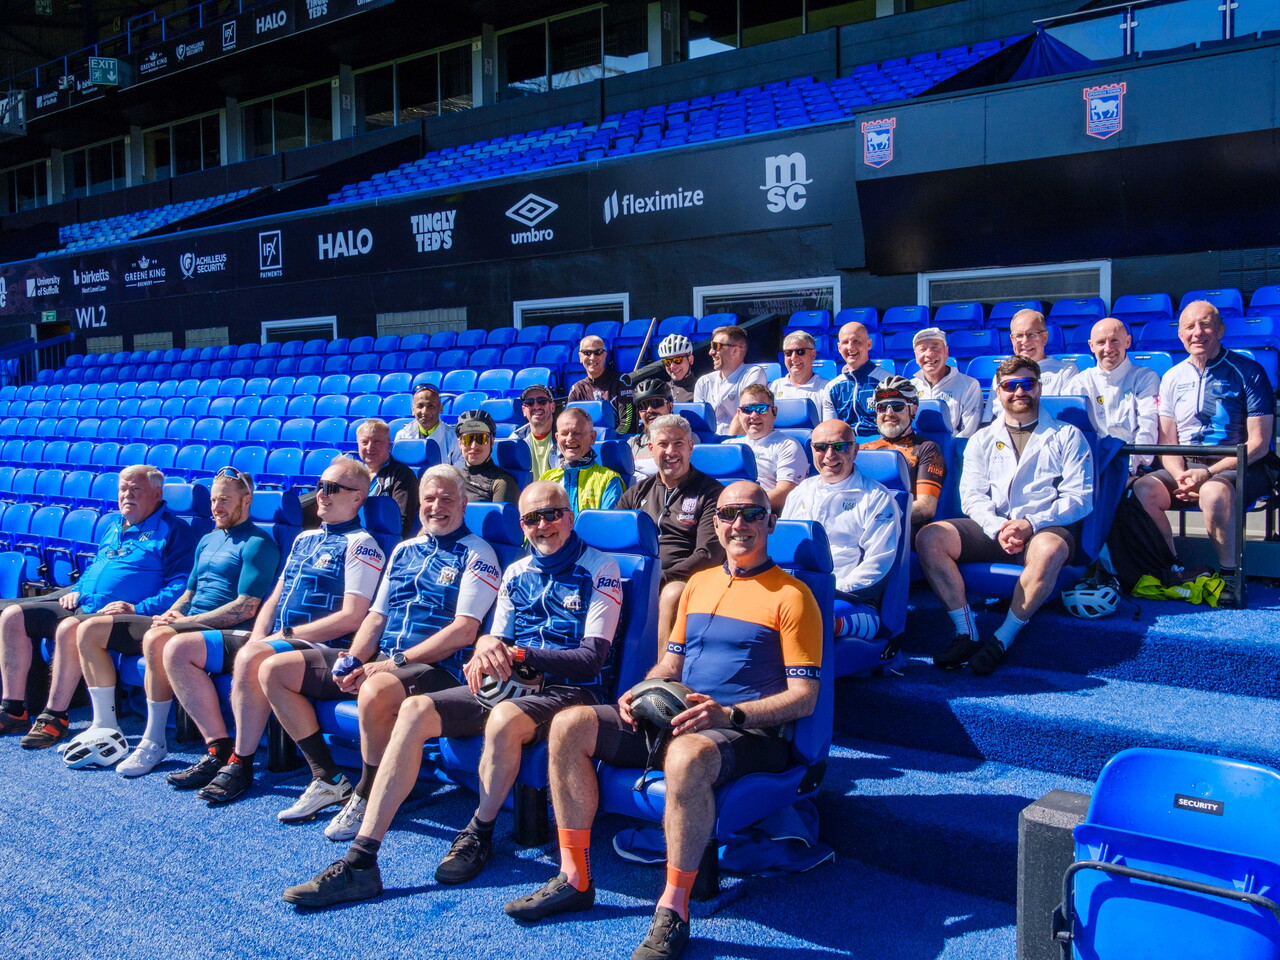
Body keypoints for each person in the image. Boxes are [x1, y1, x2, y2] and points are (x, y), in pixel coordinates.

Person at [504, 481, 822, 960]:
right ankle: (575, 877)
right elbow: (671, 665)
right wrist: (640, 689)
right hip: (680, 713)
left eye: (752, 514)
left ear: (769, 522)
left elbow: (804, 698)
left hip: (747, 729)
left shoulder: (793, 596)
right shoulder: (698, 584)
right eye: (730, 514)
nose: (740, 524)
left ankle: (674, 908)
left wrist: (728, 713)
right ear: (716, 523)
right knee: (571, 724)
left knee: (688, 754)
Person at [282, 481, 622, 905]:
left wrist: (516, 653)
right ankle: (361, 861)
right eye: (532, 519)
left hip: (572, 692)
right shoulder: (516, 572)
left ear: (569, 517)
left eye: (552, 514)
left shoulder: (601, 568)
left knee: (504, 718)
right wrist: (484, 652)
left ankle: (479, 830)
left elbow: (590, 659)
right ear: (522, 526)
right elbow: (493, 639)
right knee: (415, 710)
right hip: (511, 685)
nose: (543, 526)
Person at [261, 466, 500, 832]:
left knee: (374, 687)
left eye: (446, 499)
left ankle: (367, 792)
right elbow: (375, 617)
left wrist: (392, 663)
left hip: (440, 669)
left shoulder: (478, 553)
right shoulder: (404, 550)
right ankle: (327, 777)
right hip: (388, 659)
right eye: (429, 499)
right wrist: (354, 658)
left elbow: (463, 632)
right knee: (274, 670)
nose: (436, 506)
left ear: (464, 503)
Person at [164, 457, 386, 803]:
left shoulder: (361, 544)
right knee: (178, 649)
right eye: (319, 487)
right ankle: (217, 748)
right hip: (275, 639)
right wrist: (258, 636)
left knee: (253, 655)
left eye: (331, 489)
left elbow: (353, 616)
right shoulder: (304, 539)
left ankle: (241, 761)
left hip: (318, 647)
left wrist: (284, 636)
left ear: (357, 497)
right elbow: (275, 595)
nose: (321, 495)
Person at [69, 467, 279, 777]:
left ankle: (154, 740)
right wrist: (174, 612)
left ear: (246, 501)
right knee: (90, 629)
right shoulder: (208, 539)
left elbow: (245, 608)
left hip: (231, 632)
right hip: (192, 622)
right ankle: (104, 727)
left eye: (224, 501)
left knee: (157, 638)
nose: (216, 508)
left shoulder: (258, 543)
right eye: (213, 500)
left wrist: (187, 620)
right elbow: (190, 590)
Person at [0, 465, 196, 750]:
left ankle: (55, 716)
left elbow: (182, 585)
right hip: (84, 603)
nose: (126, 494)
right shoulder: (115, 524)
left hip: (125, 617)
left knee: (70, 628)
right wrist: (77, 590)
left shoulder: (174, 530)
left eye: (135, 489)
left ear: (156, 493)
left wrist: (138, 607)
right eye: (123, 489)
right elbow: (96, 567)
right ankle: (14, 709)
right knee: (13, 616)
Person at [919, 357, 1093, 676]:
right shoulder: (982, 439)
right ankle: (966, 632)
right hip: (995, 527)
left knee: (1050, 548)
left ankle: (1002, 638)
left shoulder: (1068, 435)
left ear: (1039, 388)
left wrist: (1030, 524)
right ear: (997, 392)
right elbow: (971, 496)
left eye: (1027, 384)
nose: (1019, 392)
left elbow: (1079, 499)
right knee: (930, 537)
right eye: (1010, 386)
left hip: (1044, 527)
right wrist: (999, 526)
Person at [1132, 301, 1274, 607]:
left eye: (1206, 325)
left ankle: (1230, 576)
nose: (1198, 332)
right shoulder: (1171, 377)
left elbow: (1260, 444)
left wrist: (1206, 474)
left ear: (1221, 330)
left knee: (1212, 492)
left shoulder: (1248, 371)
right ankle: (1175, 569)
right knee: (1143, 490)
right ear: (1180, 334)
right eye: (1190, 326)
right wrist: (1179, 476)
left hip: (1239, 464)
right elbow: (1168, 442)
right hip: (1188, 468)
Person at [781, 420, 900, 641]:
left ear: (855, 450)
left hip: (854, 600)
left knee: (807, 620)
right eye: (820, 447)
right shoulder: (800, 493)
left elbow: (878, 563)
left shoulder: (877, 497)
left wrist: (831, 590)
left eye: (839, 447)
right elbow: (785, 551)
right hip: (798, 592)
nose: (829, 455)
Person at [618, 414, 726, 649]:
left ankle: (664, 677)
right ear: (650, 448)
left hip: (685, 582)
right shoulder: (637, 493)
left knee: (672, 593)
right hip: (639, 580)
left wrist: (659, 578)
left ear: (690, 447)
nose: (671, 451)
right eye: (663, 444)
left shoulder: (712, 493)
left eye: (678, 443)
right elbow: (614, 541)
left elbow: (709, 555)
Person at [1068, 317, 1160, 475]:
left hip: (1133, 464)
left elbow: (1147, 425)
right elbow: (1073, 430)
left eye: (1115, 340)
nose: (1108, 348)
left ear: (1128, 341)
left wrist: (1130, 466)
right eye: (1101, 342)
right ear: (1091, 346)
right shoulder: (1080, 382)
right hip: (1092, 463)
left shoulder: (1145, 377)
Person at [860, 376, 947, 536]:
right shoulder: (863, 448)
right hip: (859, 525)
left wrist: (879, 516)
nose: (889, 413)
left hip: (900, 530)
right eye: (882, 407)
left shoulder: (927, 448)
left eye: (897, 406)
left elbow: (926, 507)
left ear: (913, 409)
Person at [983, 309, 1079, 421]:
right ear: (1012, 340)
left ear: (1045, 337)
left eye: (1031, 335)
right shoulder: (1002, 374)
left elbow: (1067, 415)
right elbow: (988, 418)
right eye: (1019, 335)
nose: (1025, 341)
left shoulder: (1066, 371)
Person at [734, 383, 809, 511]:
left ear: (774, 412)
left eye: (760, 408)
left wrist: (745, 509)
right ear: (739, 413)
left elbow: (785, 494)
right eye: (747, 409)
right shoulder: (729, 446)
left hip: (759, 516)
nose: (753, 415)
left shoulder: (788, 446)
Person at [541, 406, 624, 514]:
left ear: (592, 437)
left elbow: (607, 526)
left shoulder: (609, 480)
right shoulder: (546, 479)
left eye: (577, 432)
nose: (570, 439)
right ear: (557, 438)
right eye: (564, 433)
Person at [821, 320, 892, 439]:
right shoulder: (832, 387)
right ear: (839, 347)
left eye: (856, 341)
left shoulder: (887, 381)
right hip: (845, 449)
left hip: (880, 448)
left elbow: (892, 427)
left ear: (869, 344)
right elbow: (831, 429)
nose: (850, 347)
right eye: (845, 342)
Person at [909, 327, 982, 438]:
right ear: (916, 355)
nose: (929, 354)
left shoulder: (969, 385)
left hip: (952, 451)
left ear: (946, 352)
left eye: (935, 347)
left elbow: (968, 432)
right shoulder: (909, 387)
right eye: (922, 349)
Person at [693, 325, 766, 435]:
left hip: (739, 444)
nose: (711, 352)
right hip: (709, 445)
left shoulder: (753, 373)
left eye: (716, 346)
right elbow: (699, 424)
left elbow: (745, 414)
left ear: (735, 350)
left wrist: (727, 448)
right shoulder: (704, 382)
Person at [358, 418, 420, 537]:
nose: (370, 447)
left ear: (389, 444)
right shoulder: (353, 474)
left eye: (377, 441)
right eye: (364, 442)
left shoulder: (402, 475)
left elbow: (401, 523)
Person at [567, 335, 636, 435]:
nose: (592, 357)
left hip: (618, 444)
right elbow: (570, 424)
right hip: (586, 445)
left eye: (597, 352)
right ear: (580, 357)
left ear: (605, 355)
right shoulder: (577, 389)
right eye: (587, 353)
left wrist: (609, 439)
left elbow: (628, 422)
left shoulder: (622, 381)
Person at [453, 409, 518, 504]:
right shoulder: (453, 477)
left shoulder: (501, 483)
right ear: (460, 443)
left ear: (491, 442)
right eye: (467, 439)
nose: (474, 446)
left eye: (481, 438)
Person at [395, 383, 461, 467]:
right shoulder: (402, 436)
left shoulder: (454, 438)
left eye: (431, 406)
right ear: (413, 409)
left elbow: (458, 473)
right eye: (420, 406)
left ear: (440, 408)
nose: (425, 411)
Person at [628, 378, 674, 483]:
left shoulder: (685, 439)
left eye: (656, 403)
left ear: (670, 405)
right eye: (643, 406)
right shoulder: (632, 444)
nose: (649, 410)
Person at [511, 383, 561, 479]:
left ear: (552, 407)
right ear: (523, 411)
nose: (536, 406)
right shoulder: (515, 440)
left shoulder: (565, 438)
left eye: (542, 401)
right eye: (529, 403)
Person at [769, 331, 830, 403]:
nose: (793, 357)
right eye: (788, 353)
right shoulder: (773, 388)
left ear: (813, 355)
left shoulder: (827, 389)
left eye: (800, 352)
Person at [657, 334, 697, 403]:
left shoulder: (701, 389)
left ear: (690, 360)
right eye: (667, 362)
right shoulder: (660, 390)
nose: (672, 367)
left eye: (678, 360)